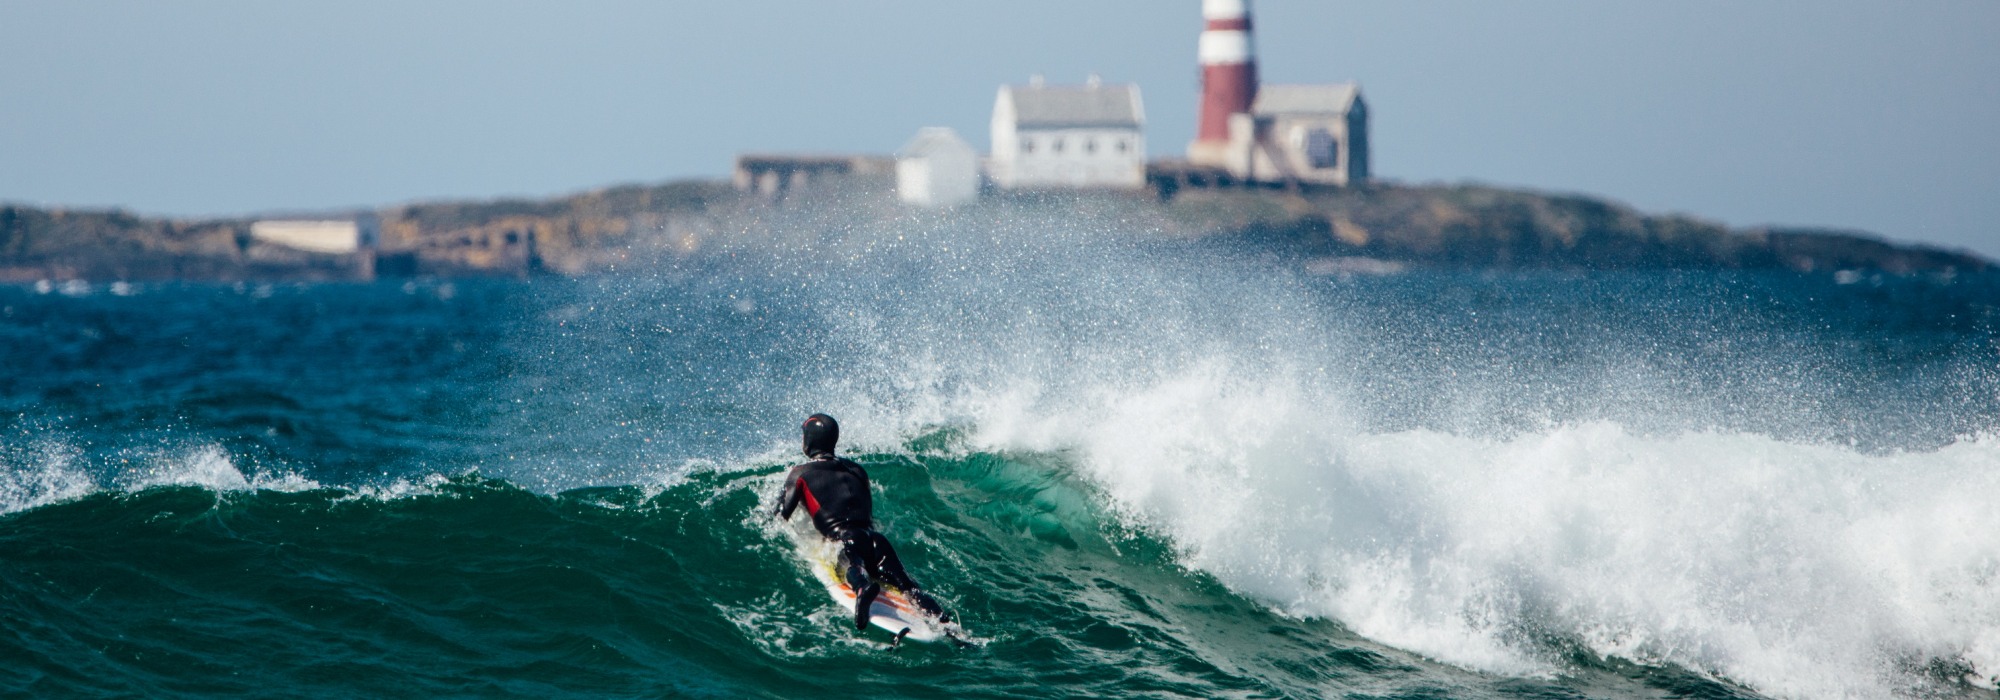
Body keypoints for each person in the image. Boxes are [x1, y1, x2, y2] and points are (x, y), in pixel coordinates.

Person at [775, 413, 949, 631]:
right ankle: (948, 626)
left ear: (809, 440)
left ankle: (862, 587)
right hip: (875, 540)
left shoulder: (801, 473)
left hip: (845, 539)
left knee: (853, 565)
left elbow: (779, 516)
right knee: (909, 588)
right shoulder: (858, 470)